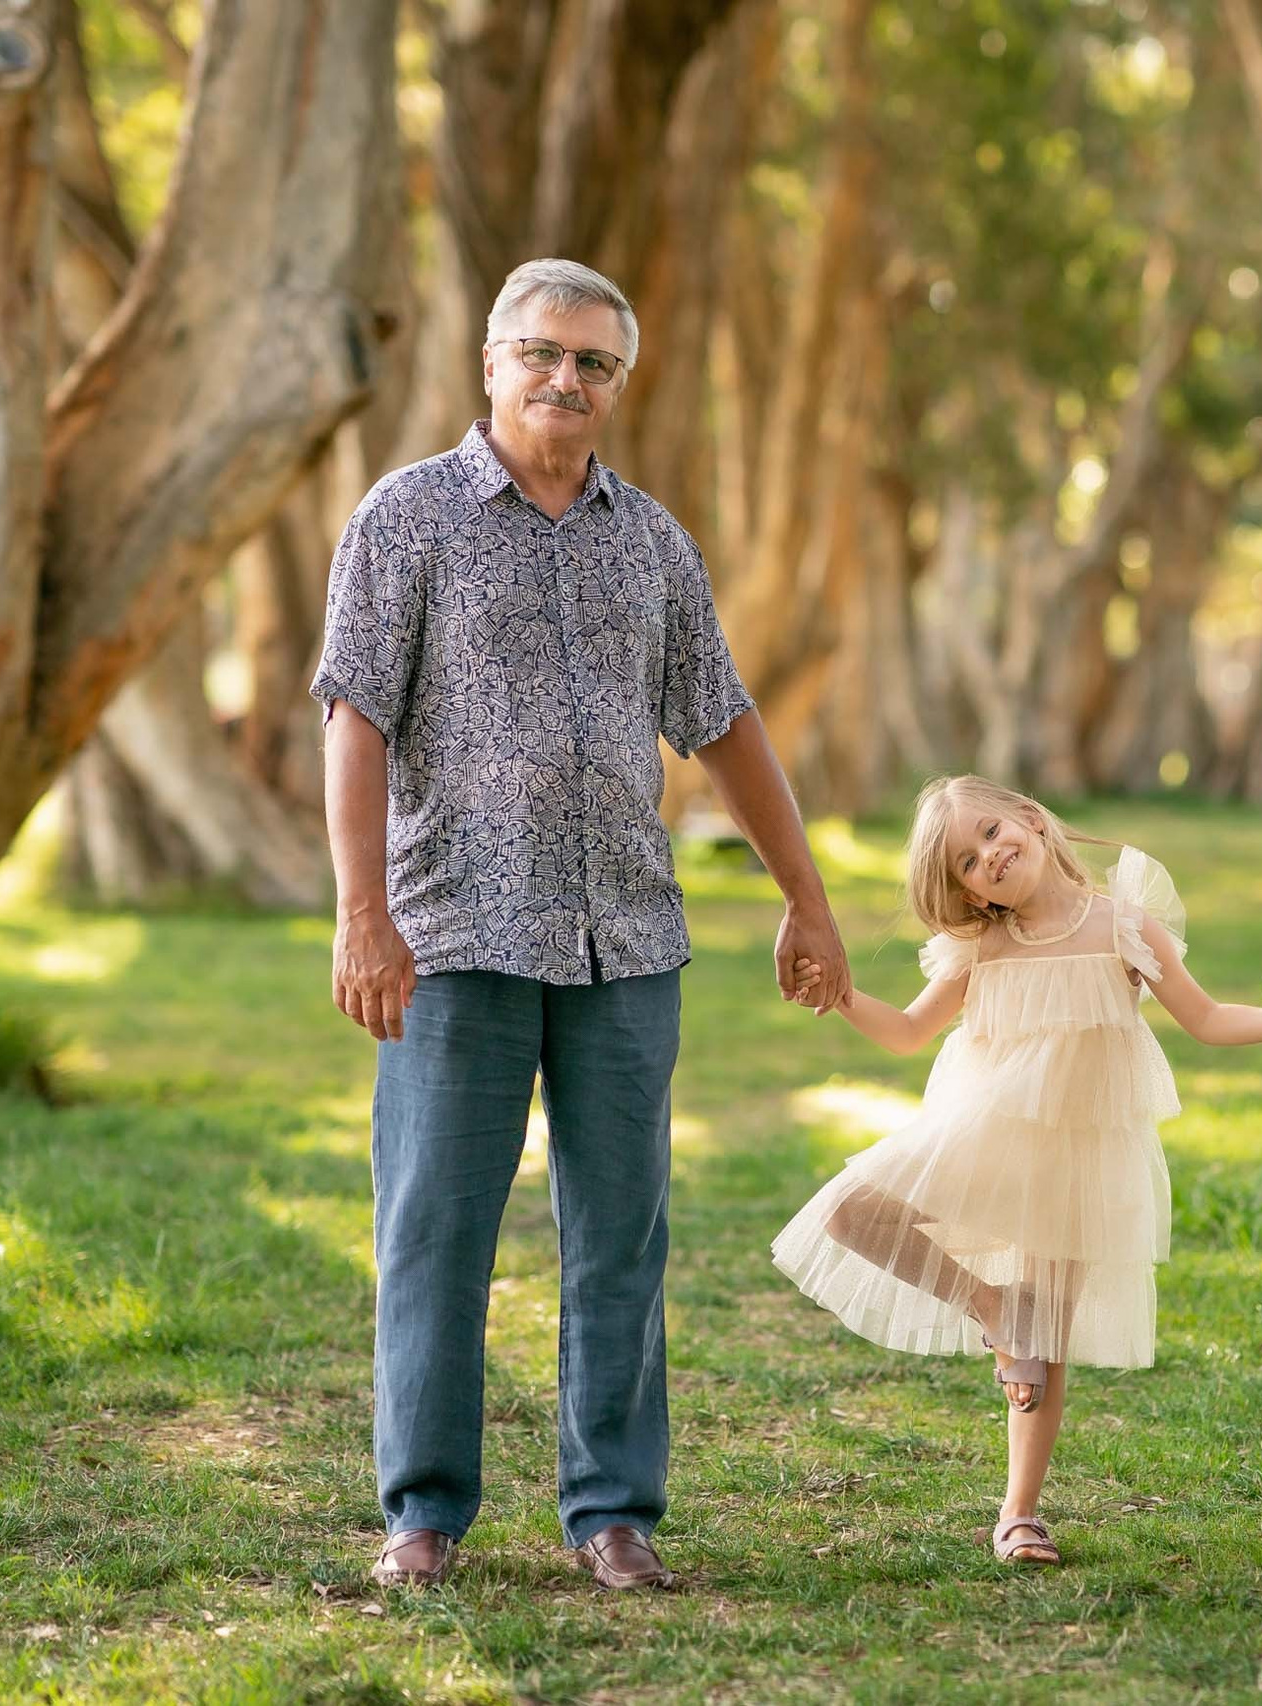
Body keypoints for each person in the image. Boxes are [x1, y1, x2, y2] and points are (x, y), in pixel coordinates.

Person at [314, 257, 852, 1593]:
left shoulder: (654, 541)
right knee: (437, 1226)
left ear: (619, 380)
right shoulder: (408, 519)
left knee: (622, 1232)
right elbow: (355, 714)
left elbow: (722, 721)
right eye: (544, 353)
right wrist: (361, 912)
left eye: (594, 361)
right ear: (492, 363)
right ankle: (423, 1515)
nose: (567, 378)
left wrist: (806, 896)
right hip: (454, 933)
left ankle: (615, 1512)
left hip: (627, 938)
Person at [774, 774, 1262, 1566]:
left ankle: (1019, 1514)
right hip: (981, 1133)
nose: (989, 855)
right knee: (852, 1212)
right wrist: (838, 994)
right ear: (970, 895)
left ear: (1032, 820)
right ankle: (989, 1303)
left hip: (1077, 1152)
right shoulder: (984, 948)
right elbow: (908, 1032)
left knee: (1043, 1345)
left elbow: (1208, 1018)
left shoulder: (1124, 925)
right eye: (968, 862)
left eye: (989, 832)